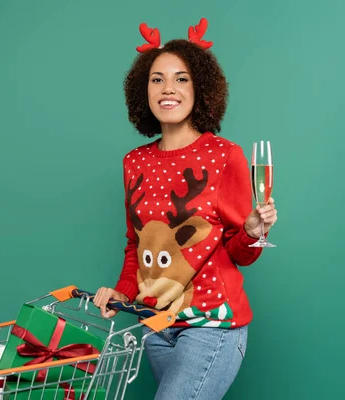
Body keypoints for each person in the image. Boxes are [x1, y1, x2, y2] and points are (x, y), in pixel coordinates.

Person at [93, 18, 278, 399]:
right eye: (157, 79)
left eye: (181, 79)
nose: (168, 89)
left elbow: (240, 254)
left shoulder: (225, 156)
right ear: (143, 90)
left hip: (212, 326)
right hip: (155, 327)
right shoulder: (134, 162)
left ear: (201, 90)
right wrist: (123, 292)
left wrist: (254, 232)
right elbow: (136, 247)